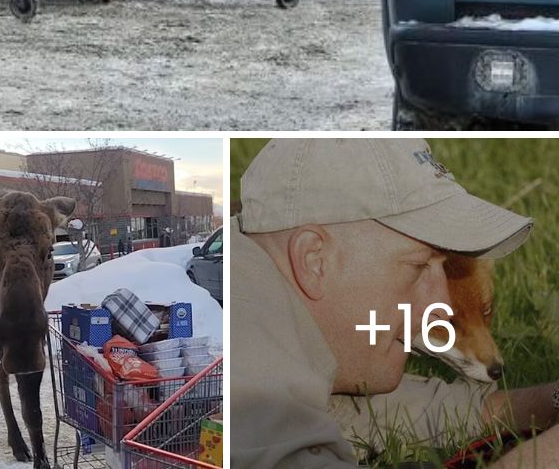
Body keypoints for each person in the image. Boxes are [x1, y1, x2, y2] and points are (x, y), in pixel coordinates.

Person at [232, 138, 559, 468]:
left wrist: (549, 401)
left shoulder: (268, 303)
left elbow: (353, 411)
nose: (443, 304)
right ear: (314, 259)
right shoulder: (246, 366)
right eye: (420, 266)